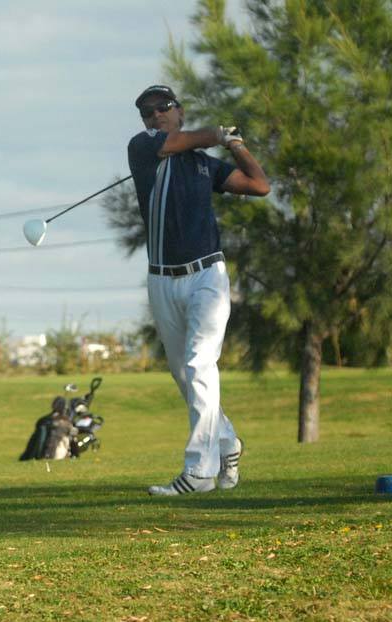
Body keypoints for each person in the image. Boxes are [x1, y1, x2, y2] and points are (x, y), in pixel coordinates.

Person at [127, 84, 270, 495]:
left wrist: (237, 146)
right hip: (161, 279)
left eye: (163, 108)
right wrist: (221, 133)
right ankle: (228, 441)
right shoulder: (143, 148)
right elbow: (189, 139)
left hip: (208, 274)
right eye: (148, 112)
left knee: (198, 365)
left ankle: (200, 472)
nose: (155, 116)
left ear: (179, 111)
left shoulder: (206, 167)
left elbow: (260, 186)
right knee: (184, 376)